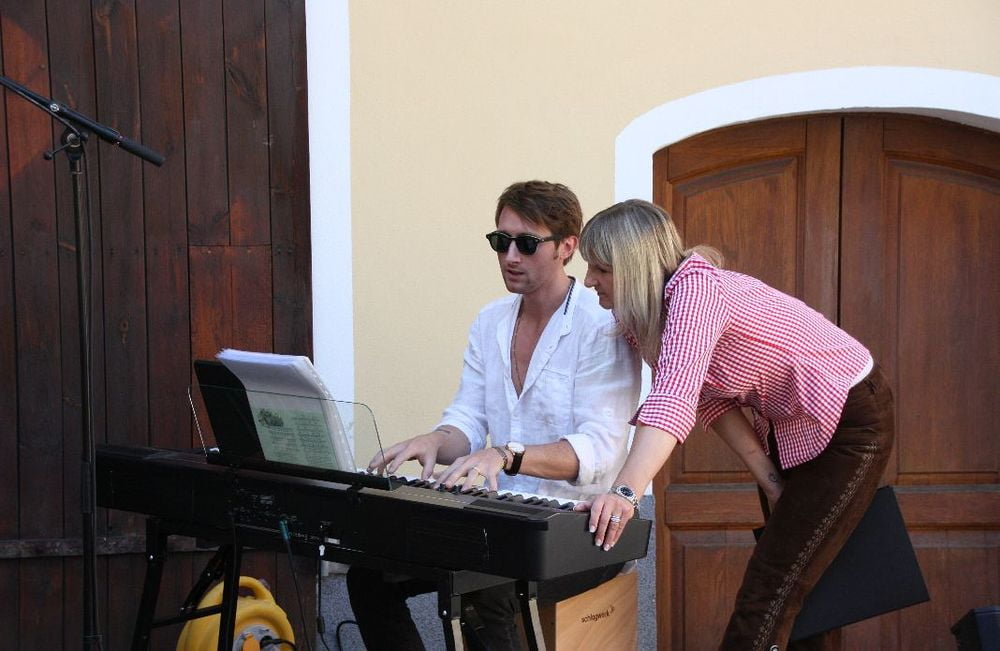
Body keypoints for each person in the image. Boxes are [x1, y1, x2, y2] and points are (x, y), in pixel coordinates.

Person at [577, 199, 894, 651]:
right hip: (790, 427)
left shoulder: (696, 292)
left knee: (773, 582)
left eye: (601, 268)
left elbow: (674, 397)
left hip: (849, 415)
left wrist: (625, 493)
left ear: (635, 267)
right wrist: (770, 480)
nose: (589, 280)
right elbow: (711, 400)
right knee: (799, 584)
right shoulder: (641, 317)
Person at [346, 181, 641, 650]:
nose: (510, 256)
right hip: (501, 518)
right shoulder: (491, 321)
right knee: (369, 575)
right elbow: (466, 422)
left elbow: (600, 452)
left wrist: (507, 455)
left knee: (483, 588)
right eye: (501, 242)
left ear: (567, 247)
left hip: (582, 526)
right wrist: (434, 440)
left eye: (527, 243)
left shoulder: (603, 323)